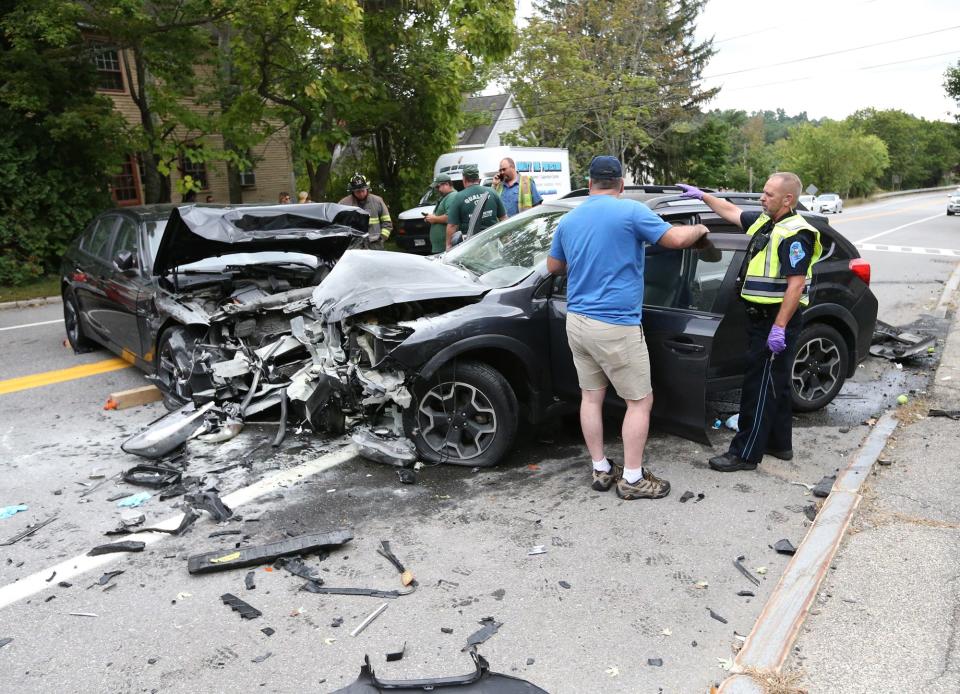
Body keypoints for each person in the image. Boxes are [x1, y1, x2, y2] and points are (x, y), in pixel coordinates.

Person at [547, 156, 710, 500]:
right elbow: (677, 239)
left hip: (576, 320)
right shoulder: (632, 212)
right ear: (621, 185)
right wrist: (700, 229)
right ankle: (633, 479)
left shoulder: (569, 218)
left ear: (589, 183)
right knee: (639, 402)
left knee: (591, 398)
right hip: (615, 324)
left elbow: (554, 266)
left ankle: (601, 469)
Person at [676, 173, 822, 473]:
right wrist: (703, 195)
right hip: (763, 319)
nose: (762, 198)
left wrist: (779, 327)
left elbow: (795, 286)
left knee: (759, 389)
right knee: (775, 385)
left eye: (768, 194)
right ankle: (779, 444)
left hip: (775, 321)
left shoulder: (796, 234)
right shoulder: (767, 222)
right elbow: (732, 211)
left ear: (787, 199)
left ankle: (744, 454)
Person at [445, 164, 507, 250]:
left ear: (464, 179)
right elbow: (503, 218)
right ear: (478, 178)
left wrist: (448, 246)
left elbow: (452, 226)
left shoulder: (458, 197)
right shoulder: (492, 192)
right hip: (493, 242)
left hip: (470, 245)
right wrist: (506, 239)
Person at [339, 174, 392, 249]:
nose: (361, 194)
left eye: (362, 190)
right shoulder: (344, 203)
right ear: (352, 191)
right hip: (353, 248)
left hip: (375, 246)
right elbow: (338, 225)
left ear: (367, 188)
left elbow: (387, 223)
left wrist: (381, 238)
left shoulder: (377, 201)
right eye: (357, 191)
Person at [424, 173, 455, 253]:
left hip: (445, 248)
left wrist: (434, 219)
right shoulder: (445, 197)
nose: (437, 189)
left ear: (447, 184)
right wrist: (430, 217)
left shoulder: (452, 196)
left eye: (438, 187)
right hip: (440, 247)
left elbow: (451, 217)